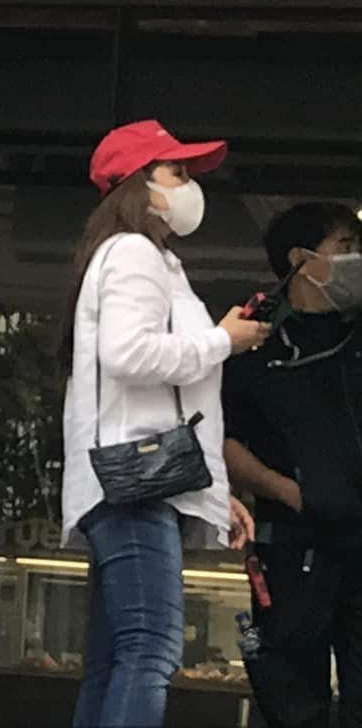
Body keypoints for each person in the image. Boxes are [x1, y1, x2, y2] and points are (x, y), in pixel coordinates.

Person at [59, 119, 267, 728]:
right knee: (151, 649)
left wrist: (214, 492)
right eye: (177, 171)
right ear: (139, 184)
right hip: (136, 482)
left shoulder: (139, 256)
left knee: (116, 658)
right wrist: (222, 341)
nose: (189, 184)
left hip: (133, 477)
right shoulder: (135, 253)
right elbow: (130, 355)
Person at [222, 200, 362, 727]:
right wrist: (289, 492)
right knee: (291, 700)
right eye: (345, 247)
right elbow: (224, 441)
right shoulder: (256, 347)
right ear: (301, 259)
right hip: (291, 550)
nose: (357, 257)